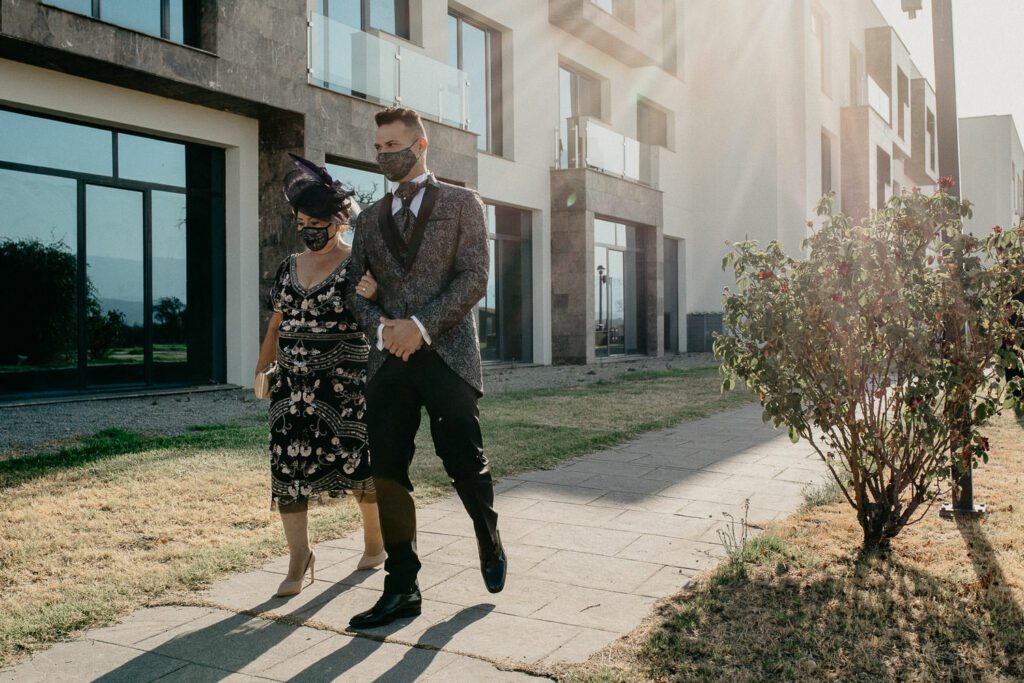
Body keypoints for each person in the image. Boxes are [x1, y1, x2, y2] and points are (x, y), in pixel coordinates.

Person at [346, 106, 506, 630]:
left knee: (463, 458)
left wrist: (420, 325)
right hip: (389, 361)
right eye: (378, 147)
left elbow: (474, 277)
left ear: (420, 145)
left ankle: (488, 537)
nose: (384, 155)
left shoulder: (463, 203)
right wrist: (384, 329)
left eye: (393, 145)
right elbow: (355, 289)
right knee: (387, 468)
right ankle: (402, 585)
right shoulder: (369, 219)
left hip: (448, 355)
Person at [255, 154, 386, 598]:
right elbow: (277, 323)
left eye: (316, 221)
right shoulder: (287, 266)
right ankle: (299, 557)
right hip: (290, 384)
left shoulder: (358, 266)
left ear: (338, 220)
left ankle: (375, 541)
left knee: (356, 464)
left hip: (346, 385)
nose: (308, 228)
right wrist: (262, 369)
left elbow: (382, 322)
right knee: (287, 468)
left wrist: (375, 294)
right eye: (301, 221)